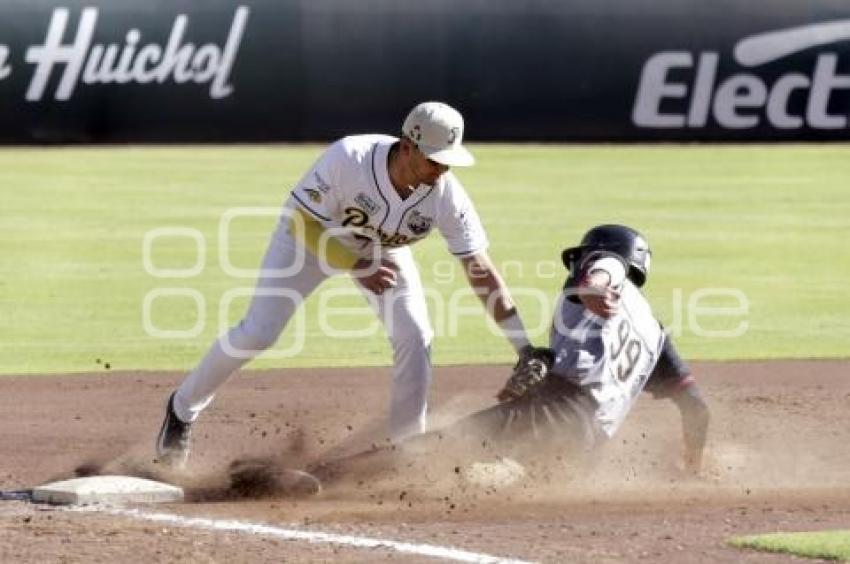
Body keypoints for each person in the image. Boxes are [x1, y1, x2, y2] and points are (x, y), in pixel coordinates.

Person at [156, 101, 544, 468]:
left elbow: (479, 267)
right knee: (258, 332)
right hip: (308, 242)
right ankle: (182, 408)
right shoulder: (350, 158)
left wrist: (523, 346)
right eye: (434, 160)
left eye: (448, 162)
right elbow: (300, 222)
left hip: (378, 252)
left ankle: (408, 451)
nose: (441, 170)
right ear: (408, 146)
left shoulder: (446, 196)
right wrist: (355, 264)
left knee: (415, 334)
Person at [307, 224, 710, 486]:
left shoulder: (605, 265)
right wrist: (692, 467)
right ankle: (490, 474)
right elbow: (696, 406)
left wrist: (592, 283)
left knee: (440, 446)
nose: (579, 265)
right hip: (587, 450)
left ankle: (319, 479)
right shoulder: (656, 335)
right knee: (476, 478)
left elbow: (604, 271)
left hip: (559, 410)